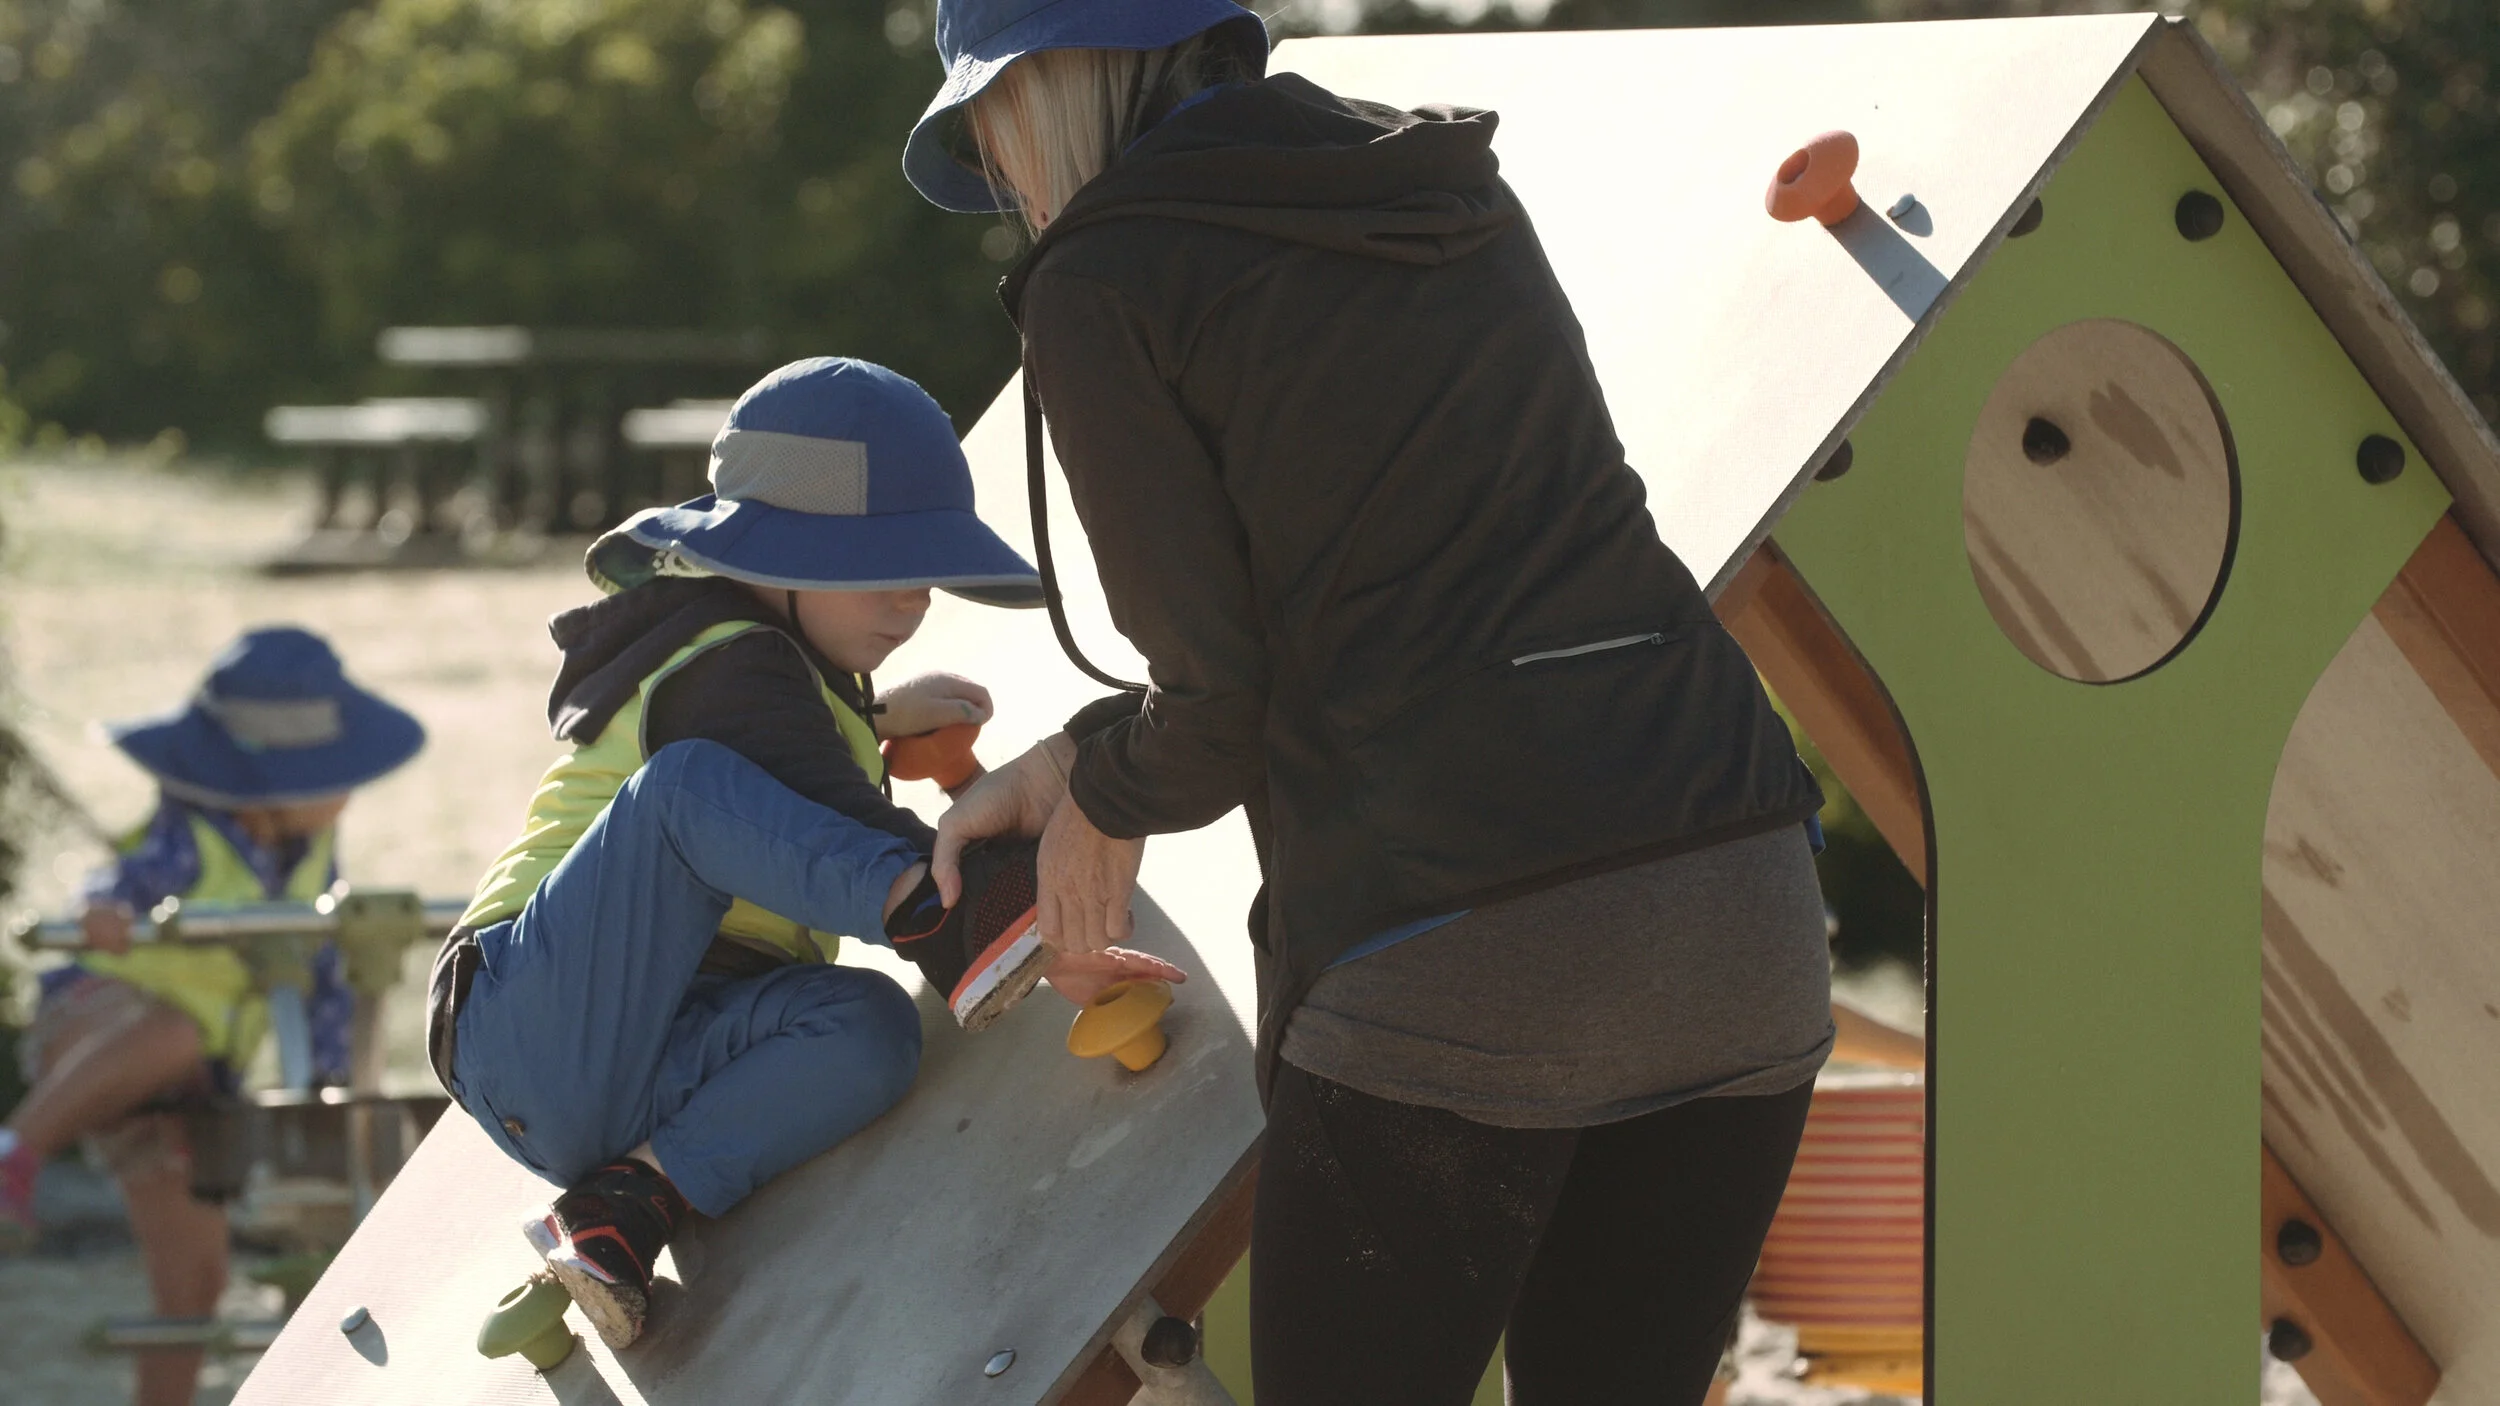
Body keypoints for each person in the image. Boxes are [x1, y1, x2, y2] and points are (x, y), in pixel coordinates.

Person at [908, 7, 1838, 1402]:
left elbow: (1220, 700)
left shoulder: (1101, 274)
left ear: (1045, 87)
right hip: (1738, 888)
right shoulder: (1445, 185)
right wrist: (1080, 760)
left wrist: (1102, 811)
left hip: (1463, 940)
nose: (1001, 170)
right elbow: (1402, 605)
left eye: (988, 125)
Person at [426, 357, 1178, 1351]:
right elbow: (795, 783)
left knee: (871, 1029)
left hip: (652, 1066)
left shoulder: (775, 675)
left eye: (926, 575)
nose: (912, 601)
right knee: (685, 789)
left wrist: (868, 722)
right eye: (884, 567)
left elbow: (798, 764)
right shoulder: (723, 659)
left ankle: (626, 1201)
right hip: (523, 1010)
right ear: (775, 549)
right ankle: (953, 915)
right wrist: (996, 897)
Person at [1, 626, 423, 1406]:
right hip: (101, 1025)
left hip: (188, 1086)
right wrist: (101, 911)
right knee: (171, 1030)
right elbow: (125, 883)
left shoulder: (312, 855)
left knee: (196, 1283)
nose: (347, 792)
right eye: (332, 776)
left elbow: (323, 973)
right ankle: (14, 1153)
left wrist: (326, 1101)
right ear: (272, 785)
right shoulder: (192, 832)